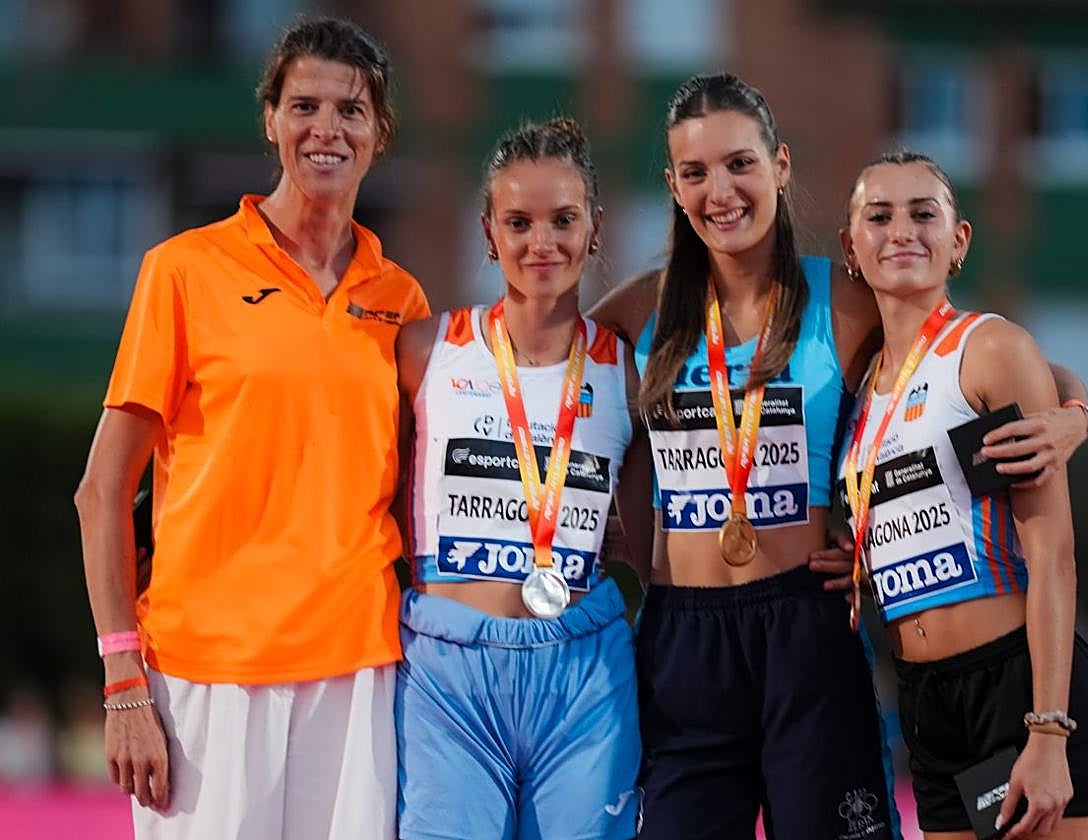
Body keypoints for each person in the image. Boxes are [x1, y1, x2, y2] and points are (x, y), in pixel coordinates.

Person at [589, 73, 1088, 840]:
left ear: (780, 167)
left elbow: (989, 359)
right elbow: (538, 388)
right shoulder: (641, 308)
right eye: (695, 173)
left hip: (805, 628)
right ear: (672, 184)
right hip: (682, 641)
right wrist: (607, 528)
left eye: (739, 165)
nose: (719, 191)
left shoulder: (844, 300)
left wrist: (1073, 414)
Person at [73, 18, 428, 839]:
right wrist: (122, 678)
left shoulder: (402, 301)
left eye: (351, 110)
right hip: (205, 676)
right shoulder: (184, 271)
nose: (326, 129)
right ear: (269, 118)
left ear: (380, 134)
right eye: (304, 105)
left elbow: (417, 501)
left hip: (359, 674)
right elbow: (101, 493)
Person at [837, 151, 1088, 839]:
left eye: (923, 213)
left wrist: (1049, 731)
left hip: (1022, 688)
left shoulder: (985, 352)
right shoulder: (858, 388)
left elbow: (1052, 554)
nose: (901, 230)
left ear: (958, 240)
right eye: (879, 216)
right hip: (927, 705)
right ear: (852, 247)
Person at [392, 117, 653, 840]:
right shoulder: (424, 349)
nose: (543, 243)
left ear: (595, 228)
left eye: (564, 220)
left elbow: (648, 547)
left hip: (583, 673)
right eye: (520, 222)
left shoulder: (626, 369)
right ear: (488, 232)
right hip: (448, 676)